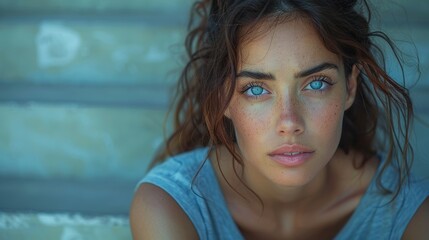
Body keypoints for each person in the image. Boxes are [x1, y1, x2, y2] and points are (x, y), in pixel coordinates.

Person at [130, 0, 429, 239]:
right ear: (222, 97)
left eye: (316, 84)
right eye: (257, 89)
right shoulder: (171, 206)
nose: (289, 121)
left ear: (349, 87)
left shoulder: (410, 215)